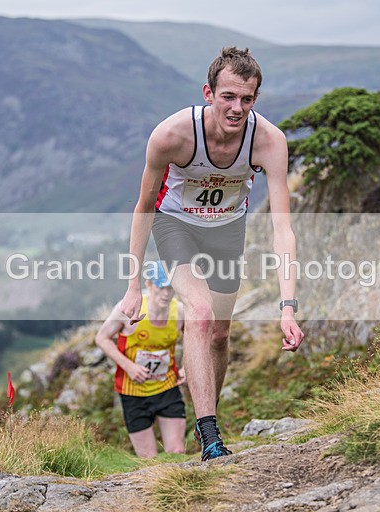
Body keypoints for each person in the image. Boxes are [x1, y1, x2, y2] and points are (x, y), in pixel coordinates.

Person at [120, 47, 305, 461]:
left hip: (226, 231)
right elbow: (144, 206)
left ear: (255, 99)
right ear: (209, 92)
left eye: (247, 99)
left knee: (219, 334)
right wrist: (133, 286)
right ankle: (210, 438)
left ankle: (210, 417)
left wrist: (288, 307)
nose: (237, 108)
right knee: (199, 314)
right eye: (228, 97)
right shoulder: (172, 135)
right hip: (176, 226)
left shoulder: (269, 142)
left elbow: (282, 228)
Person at [95, 262, 186, 458]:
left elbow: (195, 338)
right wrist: (129, 367)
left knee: (177, 452)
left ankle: (180, 488)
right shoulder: (128, 309)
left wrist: (187, 366)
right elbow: (101, 338)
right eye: (161, 287)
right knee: (148, 460)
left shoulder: (179, 312)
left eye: (171, 288)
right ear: (149, 284)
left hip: (167, 387)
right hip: (132, 392)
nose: (166, 294)